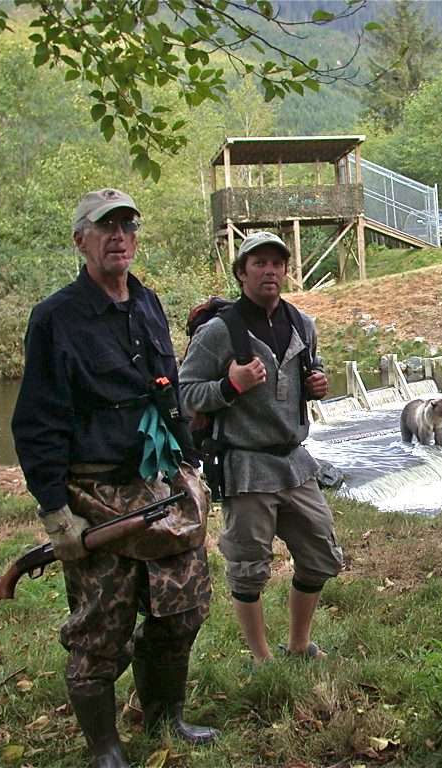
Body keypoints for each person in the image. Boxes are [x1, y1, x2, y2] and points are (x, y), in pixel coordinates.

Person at [11, 189, 217, 767]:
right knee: (100, 632)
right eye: (105, 227)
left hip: (159, 487)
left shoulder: (147, 302)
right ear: (81, 240)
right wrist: (55, 511)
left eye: (127, 225)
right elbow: (36, 422)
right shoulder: (56, 318)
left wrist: (190, 455)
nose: (118, 235)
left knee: (184, 609)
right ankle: (105, 749)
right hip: (95, 492)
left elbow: (167, 387)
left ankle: (166, 717)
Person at [179, 231, 343, 663]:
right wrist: (229, 386)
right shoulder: (218, 332)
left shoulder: (303, 324)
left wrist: (317, 386)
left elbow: (309, 378)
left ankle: (299, 643)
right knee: (248, 568)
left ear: (286, 270)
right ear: (241, 273)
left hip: (295, 462)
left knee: (321, 553)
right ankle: (260, 657)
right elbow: (185, 394)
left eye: (277, 263)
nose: (269, 270)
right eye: (259, 263)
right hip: (245, 464)